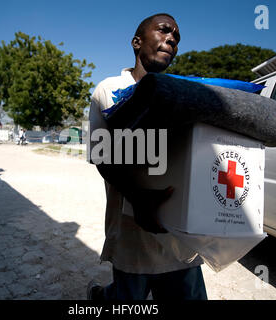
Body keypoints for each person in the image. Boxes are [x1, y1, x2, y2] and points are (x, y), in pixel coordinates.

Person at [87, 13, 207, 301]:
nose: (172, 39)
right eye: (165, 31)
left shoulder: (183, 95)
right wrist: (139, 200)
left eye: (177, 38)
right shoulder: (109, 89)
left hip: (179, 240)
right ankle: (102, 297)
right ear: (137, 42)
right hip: (133, 236)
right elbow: (102, 157)